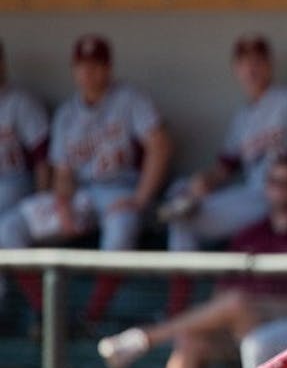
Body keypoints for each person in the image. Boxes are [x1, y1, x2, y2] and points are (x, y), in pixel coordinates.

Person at [96, 157, 287, 368]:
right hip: (237, 330)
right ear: (267, 187)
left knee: (239, 302)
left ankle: (145, 338)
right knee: (189, 339)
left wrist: (262, 304)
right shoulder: (252, 234)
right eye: (276, 182)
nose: (282, 190)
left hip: (283, 329)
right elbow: (222, 292)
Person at [161, 34, 287, 314]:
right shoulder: (244, 116)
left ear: (270, 66)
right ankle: (182, 307)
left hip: (283, 197)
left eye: (258, 62)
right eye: (245, 63)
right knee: (180, 196)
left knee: (183, 221)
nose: (252, 69)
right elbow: (225, 167)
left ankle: (177, 311)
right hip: (254, 197)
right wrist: (203, 183)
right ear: (236, 69)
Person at [0, 34, 171, 325]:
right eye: (82, 66)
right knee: (9, 229)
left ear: (109, 68)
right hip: (83, 196)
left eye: (95, 65)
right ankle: (49, 315)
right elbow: (63, 173)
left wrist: (141, 197)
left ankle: (92, 315)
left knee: (121, 228)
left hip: (122, 188)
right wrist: (63, 205)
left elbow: (161, 146)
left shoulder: (130, 99)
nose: (88, 72)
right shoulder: (68, 114)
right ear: (73, 70)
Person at [0, 40, 50, 306]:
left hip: (16, 182)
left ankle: (41, 309)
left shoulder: (20, 102)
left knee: (5, 230)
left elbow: (43, 157)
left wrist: (41, 200)